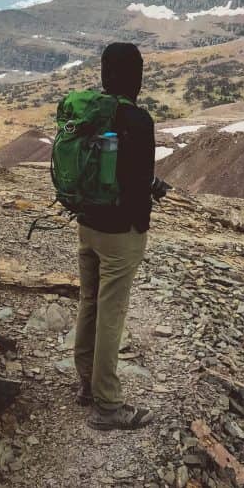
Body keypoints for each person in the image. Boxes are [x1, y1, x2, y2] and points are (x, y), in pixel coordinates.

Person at [74, 42, 155, 430]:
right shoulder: (138, 120)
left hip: (87, 224)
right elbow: (137, 181)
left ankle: (85, 384)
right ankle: (108, 405)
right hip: (119, 233)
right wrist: (145, 210)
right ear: (134, 76)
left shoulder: (91, 111)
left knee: (88, 301)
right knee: (111, 313)